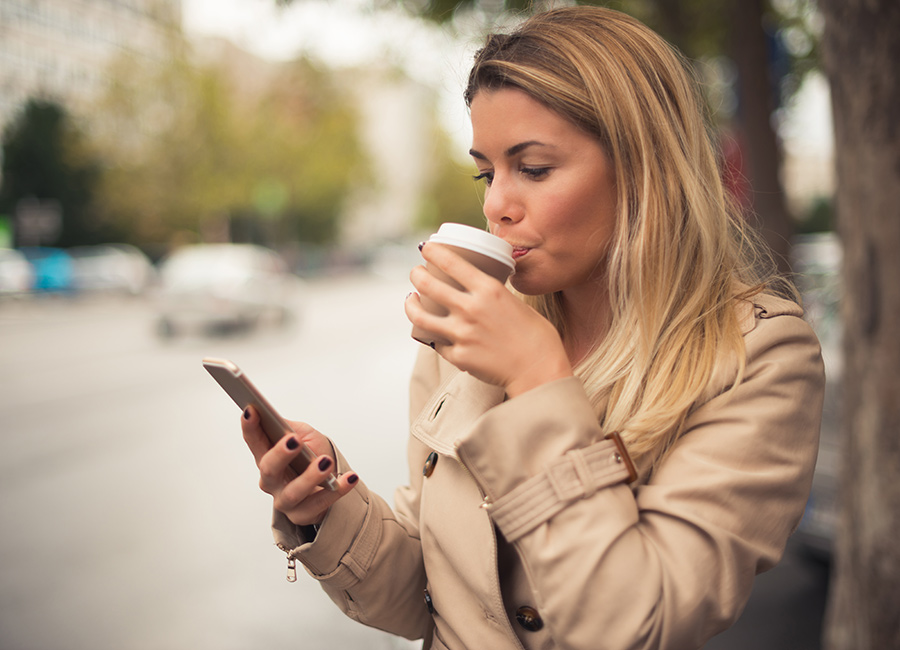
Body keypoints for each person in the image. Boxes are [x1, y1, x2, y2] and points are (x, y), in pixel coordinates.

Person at [240, 6, 825, 649]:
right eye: (486, 173)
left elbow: (639, 623)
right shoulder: (471, 335)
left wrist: (538, 380)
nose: (495, 206)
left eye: (535, 169)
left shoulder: (758, 357)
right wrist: (327, 507)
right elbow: (428, 595)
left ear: (644, 169)